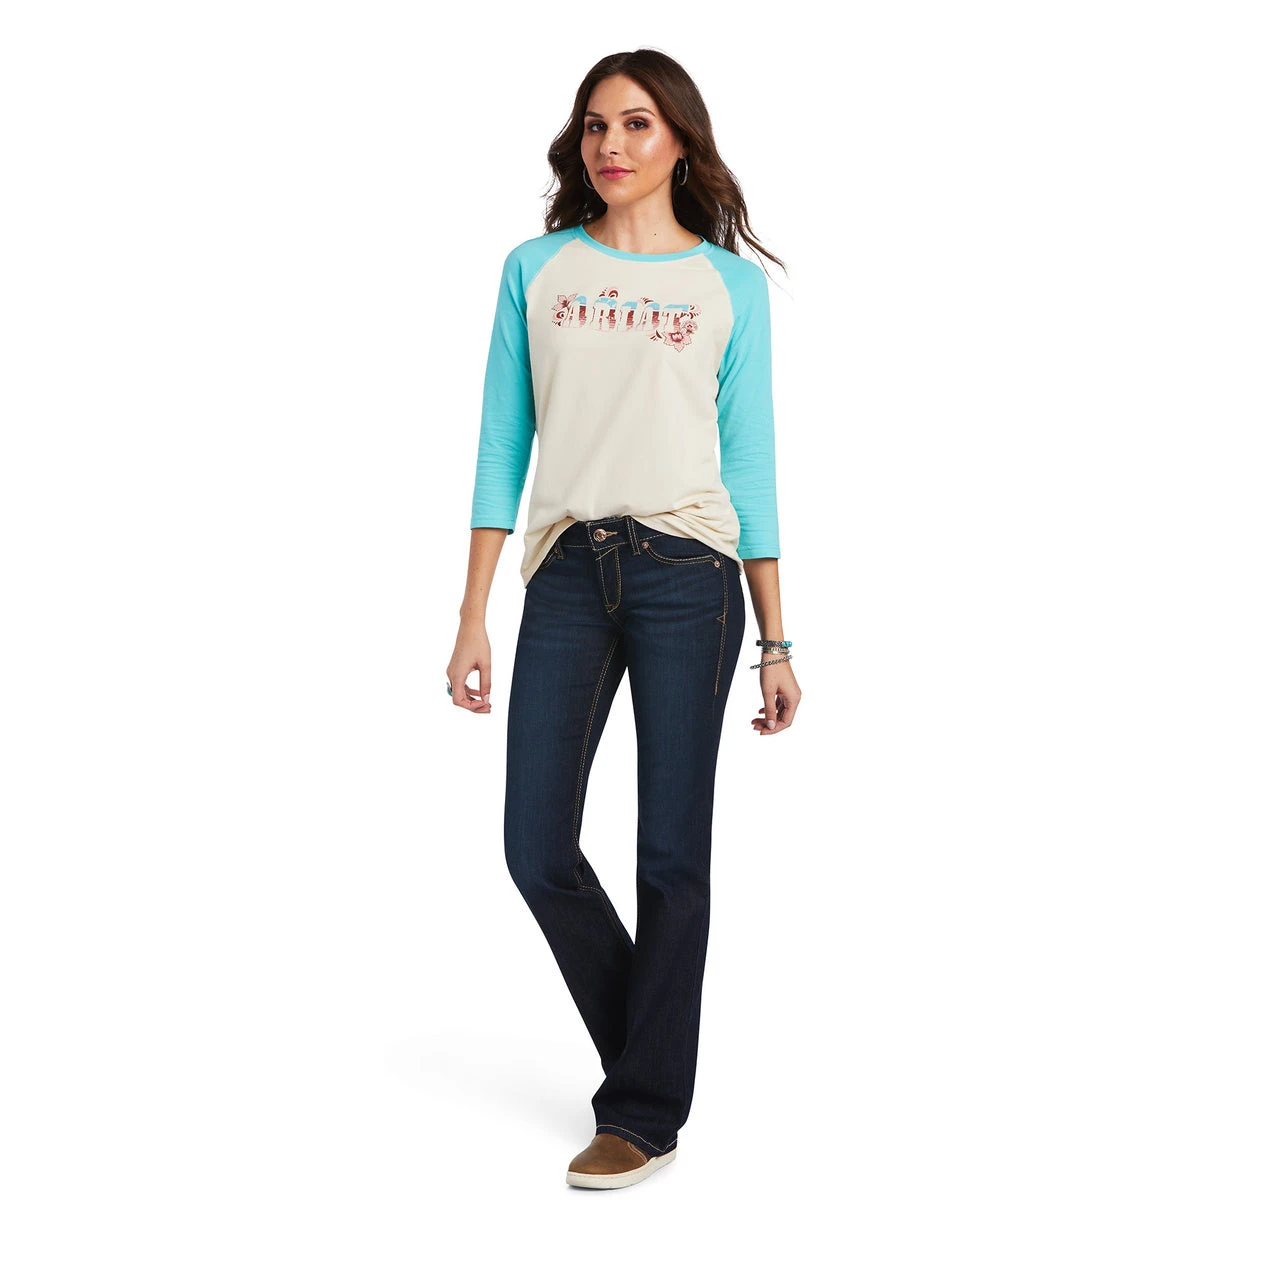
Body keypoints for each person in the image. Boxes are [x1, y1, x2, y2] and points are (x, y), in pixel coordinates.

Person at [448, 48, 802, 1189]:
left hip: (688, 576)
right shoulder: (537, 270)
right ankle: (653, 1061)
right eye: (596, 125)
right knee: (536, 847)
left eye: (637, 124)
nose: (611, 145)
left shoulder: (727, 287)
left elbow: (750, 464)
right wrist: (472, 613)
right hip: (564, 574)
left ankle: (642, 1111)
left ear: (680, 141)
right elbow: (502, 443)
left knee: (670, 854)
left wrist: (777, 639)